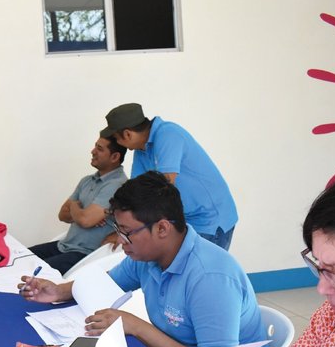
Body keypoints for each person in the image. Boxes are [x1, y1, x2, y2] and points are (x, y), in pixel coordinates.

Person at [126, 174, 335, 347]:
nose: (322, 289)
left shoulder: (211, 275)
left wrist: (139, 329)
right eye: (320, 268)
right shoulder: (331, 317)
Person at [19, 172, 266, 347]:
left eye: (126, 232)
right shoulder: (148, 258)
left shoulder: (210, 278)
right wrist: (59, 290)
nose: (120, 241)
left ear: (162, 228)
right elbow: (105, 282)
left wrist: (137, 327)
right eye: (117, 230)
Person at [99, 103, 238, 250]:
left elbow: (164, 190)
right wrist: (115, 215)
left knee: (196, 270)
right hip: (186, 220)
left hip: (209, 221)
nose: (118, 143)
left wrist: (124, 231)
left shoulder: (168, 135)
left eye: (116, 138)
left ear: (127, 134)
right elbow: (135, 191)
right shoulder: (142, 150)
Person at [28, 134, 128, 274]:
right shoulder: (87, 180)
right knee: (20, 258)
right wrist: (82, 213)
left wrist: (75, 207)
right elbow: (62, 215)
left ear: (114, 157)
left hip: (84, 255)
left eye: (99, 149)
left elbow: (85, 220)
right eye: (95, 146)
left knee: (31, 271)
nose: (92, 151)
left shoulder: (117, 185)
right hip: (64, 246)